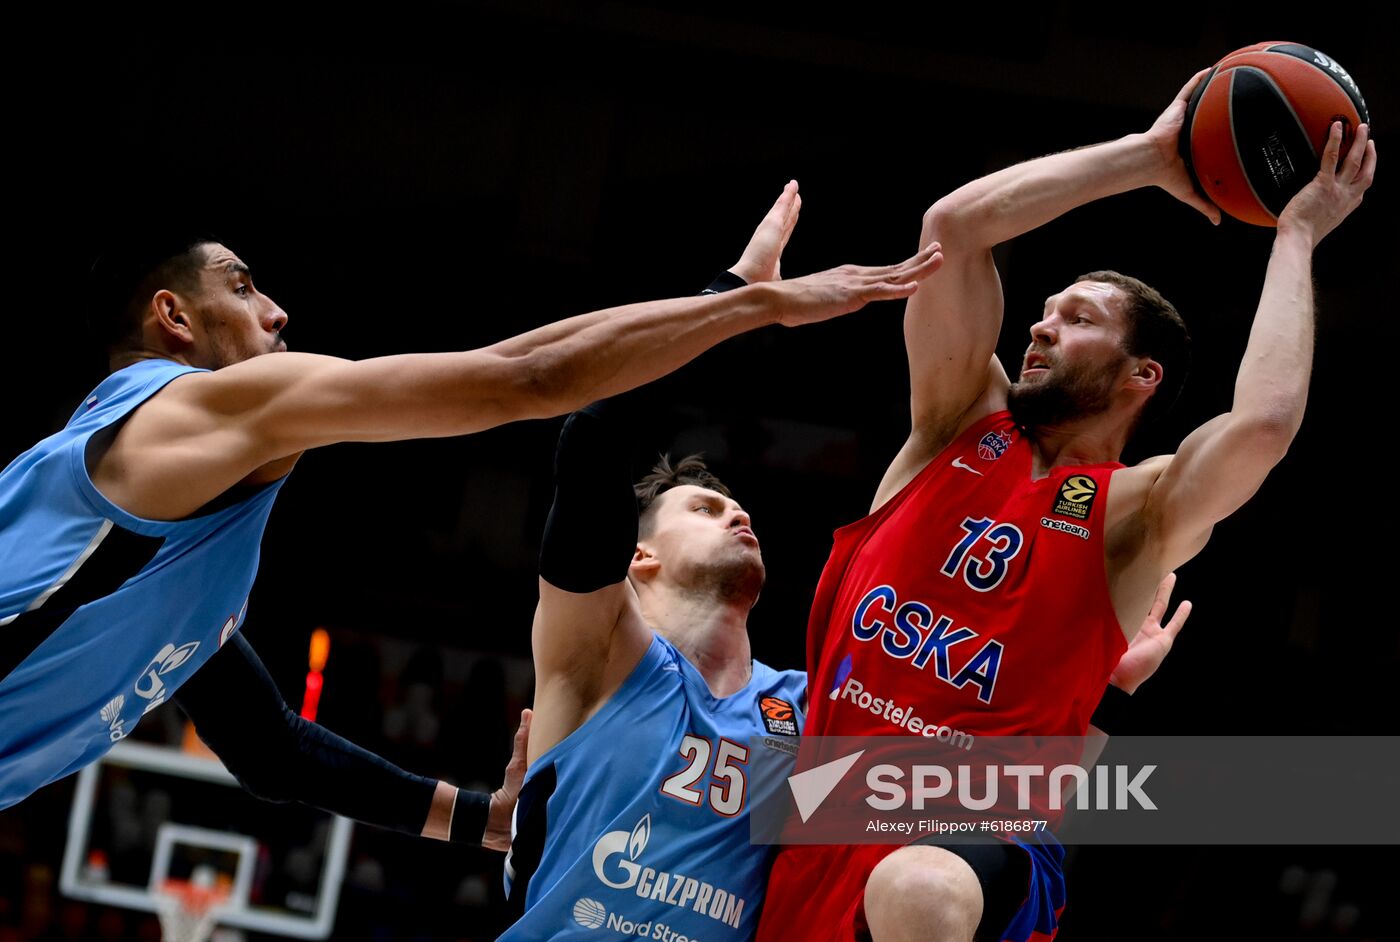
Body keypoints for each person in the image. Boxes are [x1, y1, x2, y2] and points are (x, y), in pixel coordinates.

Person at [0, 193, 943, 813]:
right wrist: (755, 313)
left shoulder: (175, 548)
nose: (278, 311)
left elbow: (270, 748)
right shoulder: (190, 408)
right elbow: (528, 382)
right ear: (174, 318)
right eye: (244, 287)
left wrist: (476, 823)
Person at [755, 74, 1377, 942]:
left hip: (971, 841)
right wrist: (1151, 156)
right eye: (1043, 313)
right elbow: (952, 232)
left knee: (920, 889)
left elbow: (1265, 424)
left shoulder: (1139, 510)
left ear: (1140, 377)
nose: (1040, 328)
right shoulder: (953, 425)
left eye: (1076, 319)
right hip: (818, 821)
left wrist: (1298, 235)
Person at [499, 188, 1191, 939]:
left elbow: (1013, 804)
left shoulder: (802, 723)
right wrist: (729, 300)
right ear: (639, 556)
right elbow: (591, 441)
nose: (737, 512)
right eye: (701, 508)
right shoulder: (600, 655)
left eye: (737, 507)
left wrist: (1099, 692)